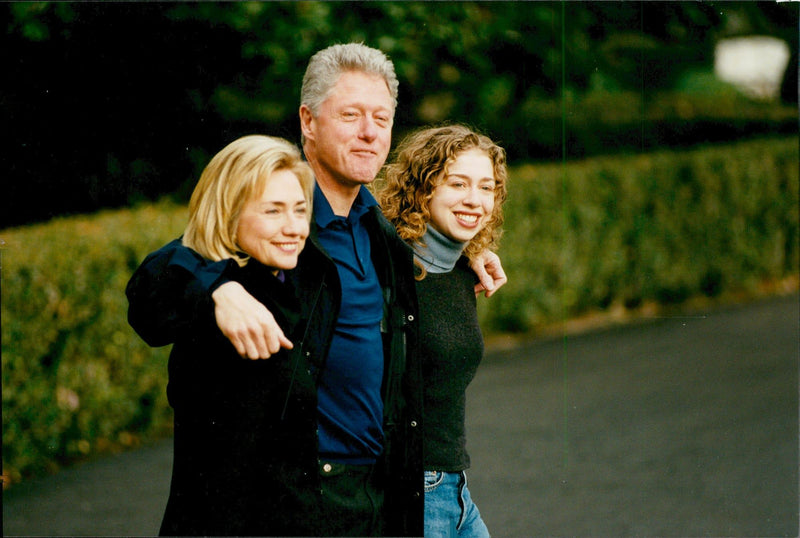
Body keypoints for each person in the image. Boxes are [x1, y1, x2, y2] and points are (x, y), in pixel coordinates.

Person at [127, 43, 506, 536]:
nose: (370, 132)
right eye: (350, 115)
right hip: (284, 506)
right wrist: (219, 289)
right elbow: (157, 284)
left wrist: (470, 251)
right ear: (308, 121)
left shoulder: (383, 238)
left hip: (373, 502)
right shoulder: (277, 222)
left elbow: (434, 231)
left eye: (381, 117)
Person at [150, 135, 321, 535]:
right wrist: (219, 290)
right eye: (273, 211)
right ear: (228, 214)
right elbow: (153, 282)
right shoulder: (206, 293)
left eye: (300, 210)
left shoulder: (298, 276)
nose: (293, 227)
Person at [376, 124, 508, 537]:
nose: (475, 199)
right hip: (411, 491)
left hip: (454, 487)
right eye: (458, 183)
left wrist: (474, 252)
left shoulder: (459, 269)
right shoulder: (387, 270)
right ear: (422, 188)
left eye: (486, 188)